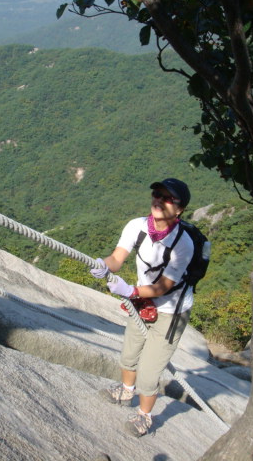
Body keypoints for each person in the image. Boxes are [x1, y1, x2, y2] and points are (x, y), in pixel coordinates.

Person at [90, 178, 195, 437]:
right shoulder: (137, 226)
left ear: (180, 209)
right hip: (142, 302)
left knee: (149, 373)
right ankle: (126, 392)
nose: (159, 200)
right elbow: (116, 258)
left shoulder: (184, 244)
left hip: (171, 311)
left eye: (168, 198)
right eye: (157, 194)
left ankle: (144, 416)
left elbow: (163, 288)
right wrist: (102, 265)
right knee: (129, 354)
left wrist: (130, 291)